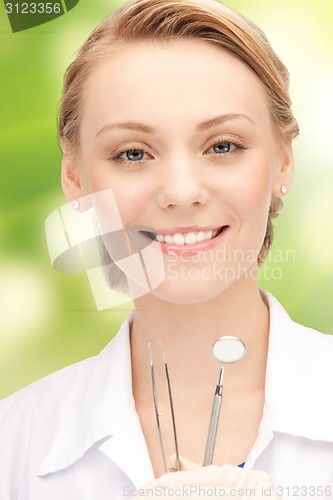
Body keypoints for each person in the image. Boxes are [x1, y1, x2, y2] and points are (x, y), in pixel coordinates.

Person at [1, 0, 333, 498]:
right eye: (132, 153)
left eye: (223, 146)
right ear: (75, 179)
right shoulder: (15, 443)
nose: (181, 191)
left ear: (283, 162)